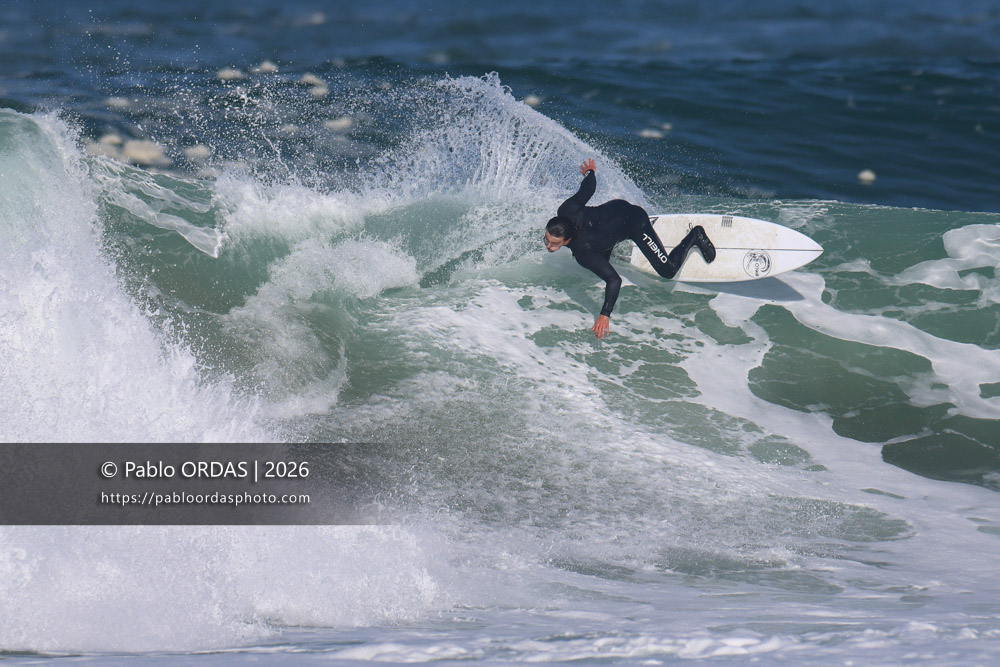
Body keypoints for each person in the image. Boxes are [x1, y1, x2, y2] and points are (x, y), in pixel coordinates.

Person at [544, 158, 716, 340]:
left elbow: (614, 281)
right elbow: (589, 189)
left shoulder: (583, 253)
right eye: (546, 240)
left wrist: (605, 314)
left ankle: (696, 235)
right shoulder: (566, 209)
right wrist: (590, 173)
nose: (548, 246)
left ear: (568, 239)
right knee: (602, 254)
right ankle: (613, 245)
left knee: (668, 271)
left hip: (636, 222)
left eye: (554, 244)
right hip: (617, 206)